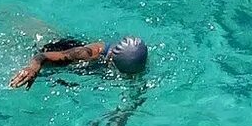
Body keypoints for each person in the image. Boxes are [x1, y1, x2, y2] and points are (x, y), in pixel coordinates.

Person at [10, 32, 149, 88]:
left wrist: (122, 115)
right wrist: (32, 69)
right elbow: (42, 57)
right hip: (58, 49)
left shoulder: (137, 59)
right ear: (112, 59)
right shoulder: (87, 54)